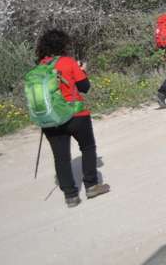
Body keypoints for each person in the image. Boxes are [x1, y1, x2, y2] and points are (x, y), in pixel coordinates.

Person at [35, 29, 110, 208]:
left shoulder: (39, 68)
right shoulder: (68, 62)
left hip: (50, 119)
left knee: (61, 158)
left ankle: (70, 196)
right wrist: (83, 71)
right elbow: (85, 87)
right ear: (63, 45)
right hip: (75, 115)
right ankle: (91, 185)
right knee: (88, 147)